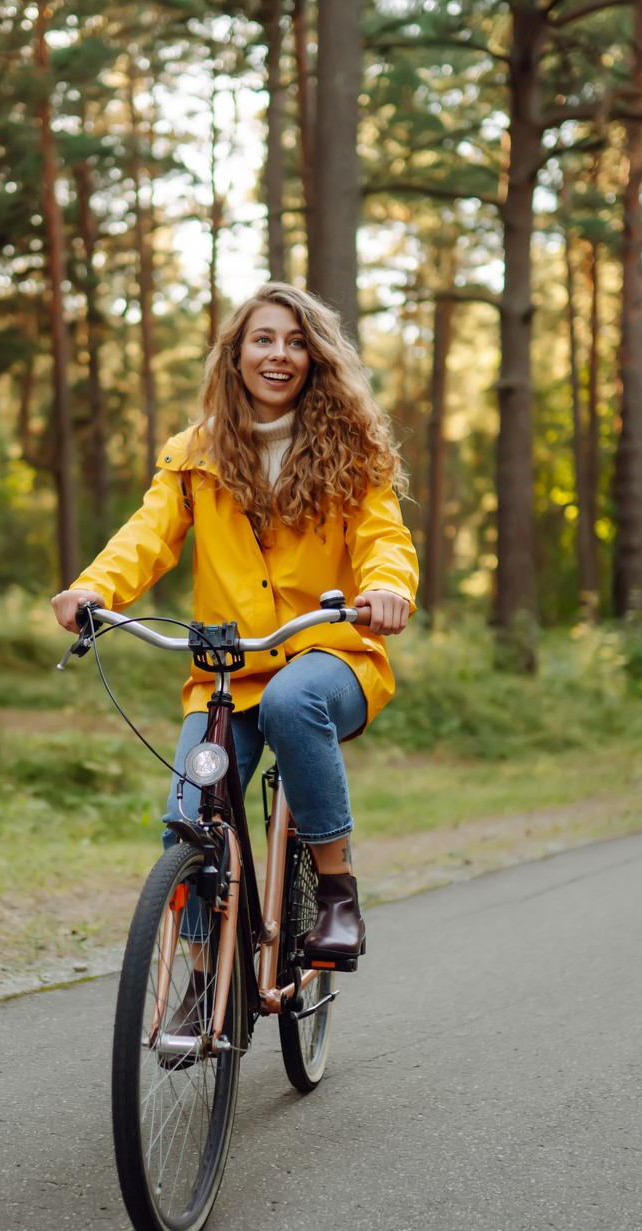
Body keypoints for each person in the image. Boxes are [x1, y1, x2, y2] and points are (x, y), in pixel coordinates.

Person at [51, 282, 418, 986]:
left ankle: (336, 891)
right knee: (188, 817)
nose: (278, 354)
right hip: (230, 670)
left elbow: (384, 538)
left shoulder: (354, 452)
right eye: (263, 339)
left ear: (315, 358)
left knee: (291, 703)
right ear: (237, 354)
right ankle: (199, 982)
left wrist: (388, 590)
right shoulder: (195, 454)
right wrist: (94, 588)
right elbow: (147, 536)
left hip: (330, 655)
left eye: (296, 341)